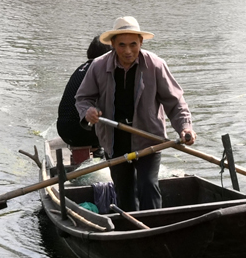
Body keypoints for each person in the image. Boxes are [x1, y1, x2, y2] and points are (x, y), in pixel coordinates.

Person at [74, 16, 195, 212]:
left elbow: (175, 102)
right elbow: (83, 98)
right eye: (122, 45)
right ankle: (132, 226)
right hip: (114, 140)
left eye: (133, 44)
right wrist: (88, 111)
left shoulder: (155, 65)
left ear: (141, 42)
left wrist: (185, 127)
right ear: (113, 44)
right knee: (124, 192)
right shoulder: (98, 66)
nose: (128, 51)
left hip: (148, 139)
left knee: (148, 185)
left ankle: (155, 225)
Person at [56, 37, 111, 167]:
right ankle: (104, 154)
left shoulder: (81, 68)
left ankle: (97, 150)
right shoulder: (101, 70)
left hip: (63, 129)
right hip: (82, 132)